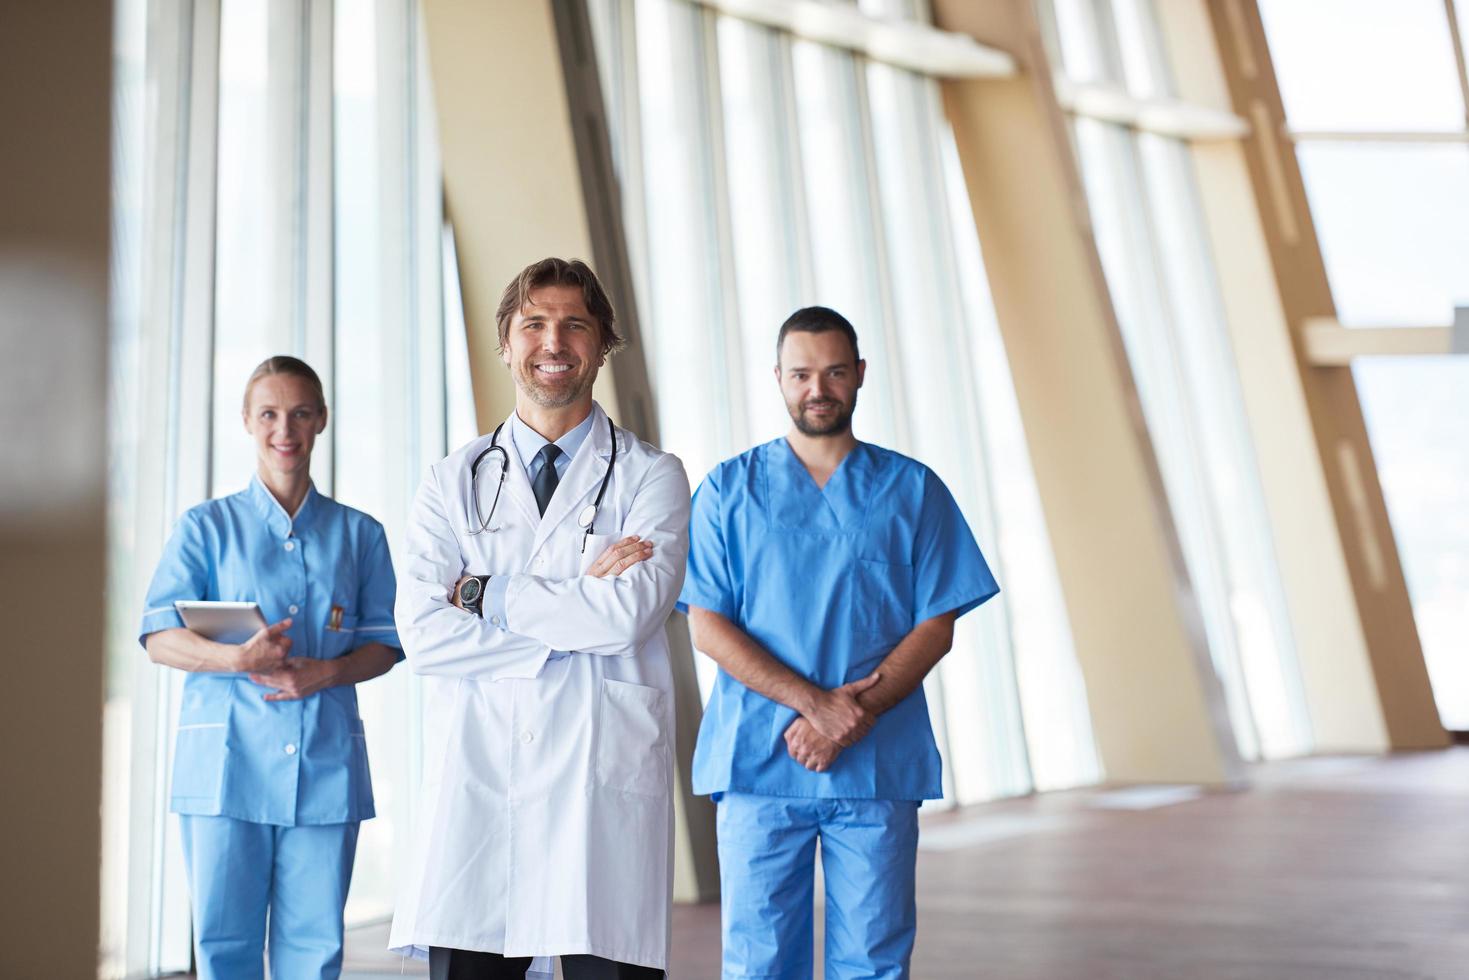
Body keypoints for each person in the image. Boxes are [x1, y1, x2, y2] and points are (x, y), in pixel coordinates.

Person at [389, 257, 690, 980]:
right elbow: (424, 635)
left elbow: (626, 619)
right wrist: (573, 603)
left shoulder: (652, 476)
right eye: (534, 323)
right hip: (481, 786)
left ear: (602, 343)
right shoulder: (451, 480)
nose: (552, 343)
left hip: (599, 792)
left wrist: (483, 594)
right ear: (505, 341)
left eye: (573, 325)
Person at [678, 306, 1000, 979]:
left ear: (858, 375)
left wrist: (853, 717)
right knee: (759, 961)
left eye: (831, 372)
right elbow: (707, 623)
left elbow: (935, 624)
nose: (816, 388)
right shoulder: (727, 490)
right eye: (800, 373)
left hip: (874, 763)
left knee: (874, 958)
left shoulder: (912, 490)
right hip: (758, 762)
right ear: (778, 379)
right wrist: (816, 708)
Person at [139, 355, 403, 980]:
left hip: (324, 765)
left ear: (321, 422)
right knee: (223, 948)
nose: (284, 429)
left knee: (314, 951)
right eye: (269, 414)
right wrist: (236, 658)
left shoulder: (361, 535)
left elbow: (386, 643)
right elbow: (156, 635)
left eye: (300, 413)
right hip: (225, 770)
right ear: (247, 421)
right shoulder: (205, 528)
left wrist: (327, 673)